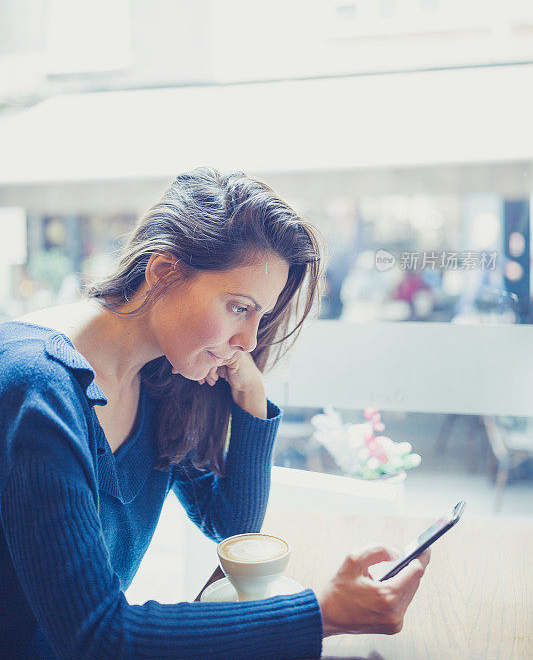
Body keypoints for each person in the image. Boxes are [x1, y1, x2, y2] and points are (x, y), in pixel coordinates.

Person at [0, 167, 430, 660]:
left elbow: (230, 524)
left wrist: (250, 397)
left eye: (260, 317)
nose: (248, 341)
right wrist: (324, 613)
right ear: (163, 272)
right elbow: (97, 636)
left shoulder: (160, 378)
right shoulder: (37, 386)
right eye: (238, 307)